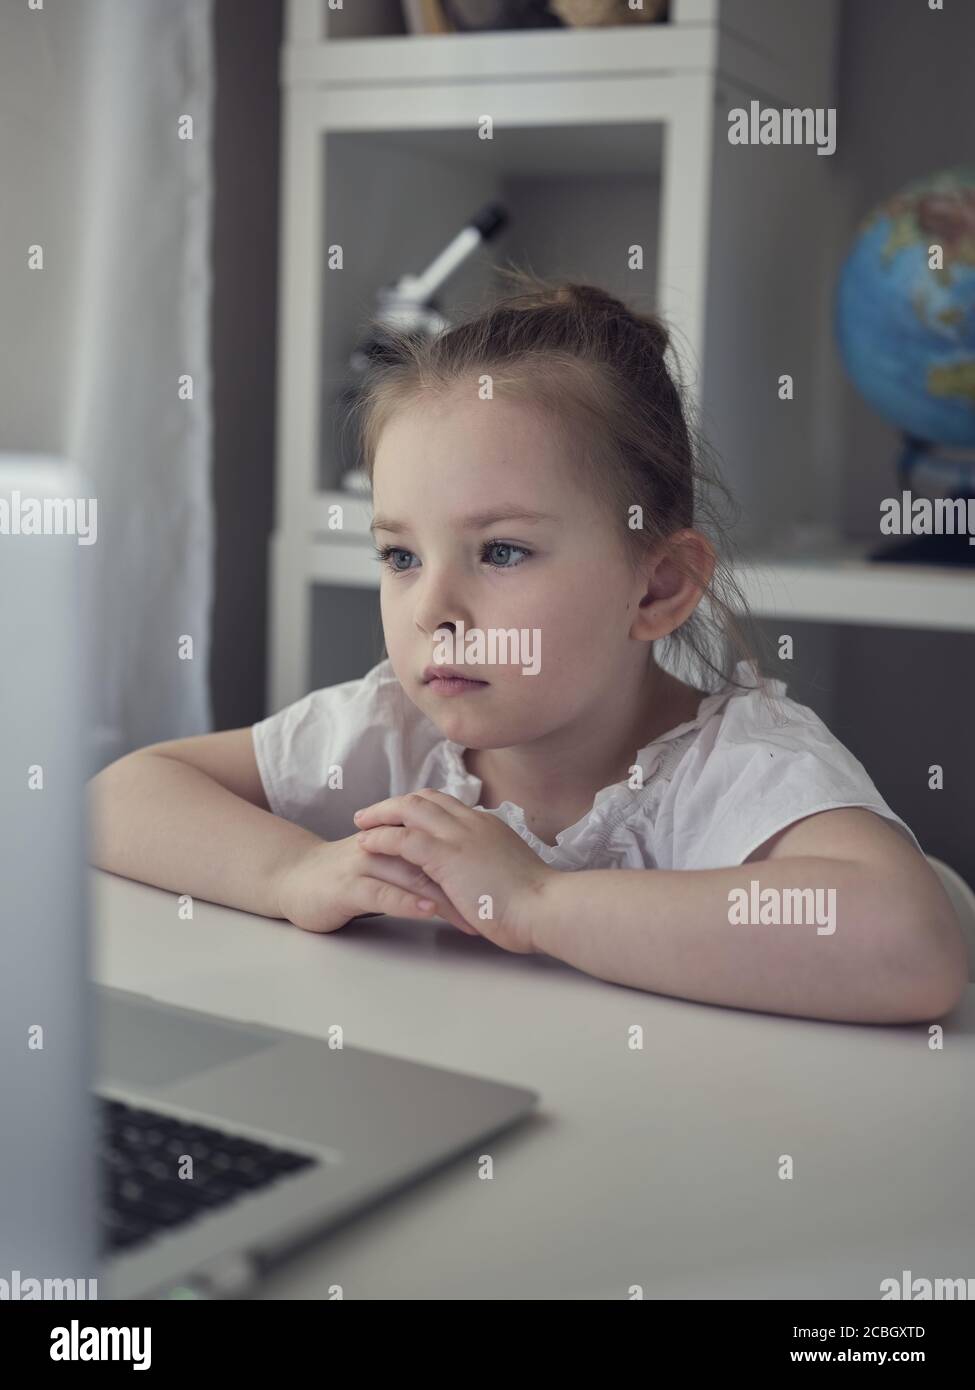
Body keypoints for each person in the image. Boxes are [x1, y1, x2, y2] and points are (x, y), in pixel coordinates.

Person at [87, 273, 967, 1024]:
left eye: (501, 551)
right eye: (400, 555)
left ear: (656, 587)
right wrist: (292, 874)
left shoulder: (736, 769)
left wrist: (535, 900)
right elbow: (119, 796)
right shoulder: (386, 734)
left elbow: (909, 943)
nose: (433, 606)